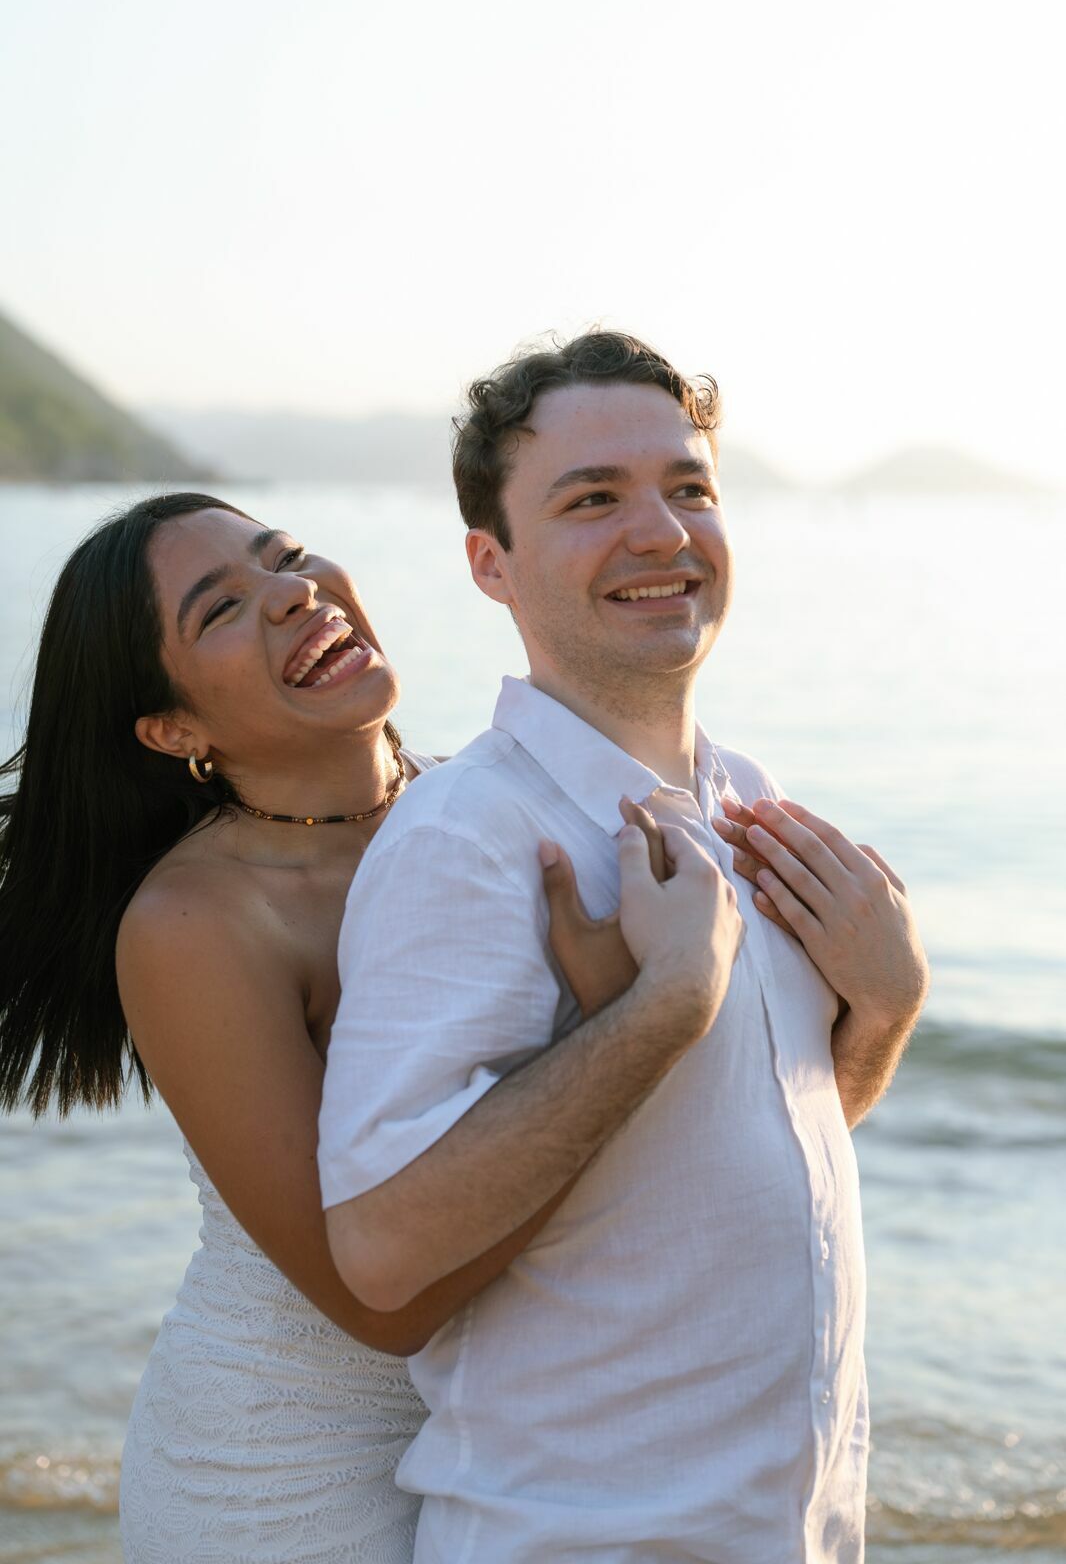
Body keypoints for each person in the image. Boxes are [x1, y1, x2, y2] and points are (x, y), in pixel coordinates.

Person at [0, 491, 736, 1562]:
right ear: (174, 729)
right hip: (283, 1481)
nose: (294, 592)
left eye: (287, 555)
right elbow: (381, 1304)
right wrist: (617, 1018)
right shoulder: (198, 924)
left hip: (506, 1443)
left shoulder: (478, 810)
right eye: (220, 609)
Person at [320, 331, 930, 1563]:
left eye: (688, 487)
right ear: (492, 563)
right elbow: (382, 1248)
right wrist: (665, 1002)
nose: (660, 531)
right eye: (593, 499)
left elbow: (738, 1147)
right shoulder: (474, 834)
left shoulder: (750, 798)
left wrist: (886, 1008)